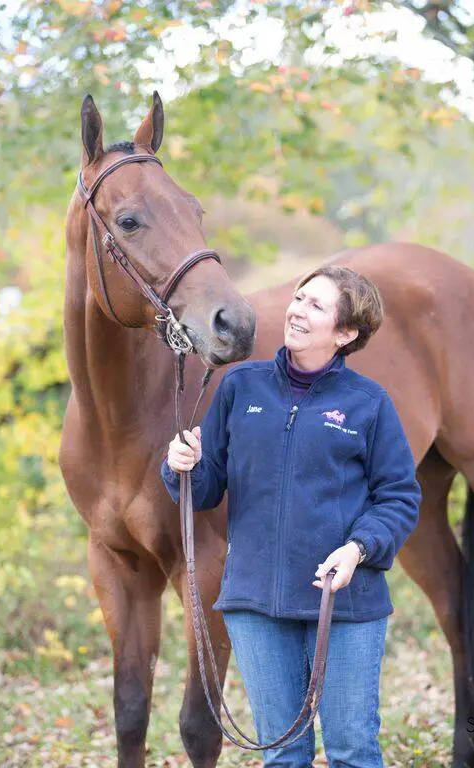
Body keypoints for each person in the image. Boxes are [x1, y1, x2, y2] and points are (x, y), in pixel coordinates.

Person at [161, 265, 421, 768]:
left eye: (316, 305)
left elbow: (399, 496)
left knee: (352, 751)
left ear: (346, 334)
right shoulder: (240, 388)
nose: (297, 309)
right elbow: (207, 488)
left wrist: (358, 549)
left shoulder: (369, 404)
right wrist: (182, 467)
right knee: (283, 755)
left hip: (342, 603)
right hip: (256, 604)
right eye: (299, 298)